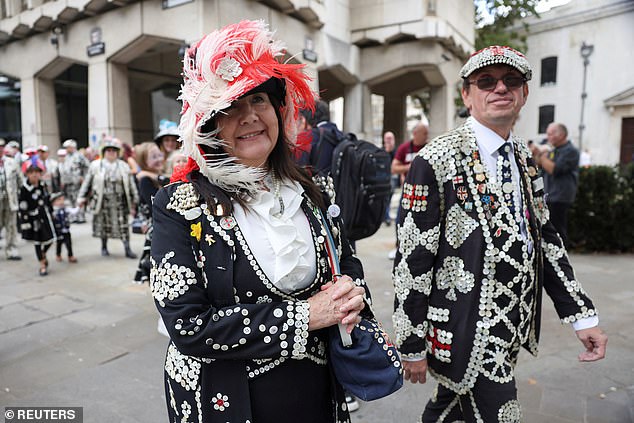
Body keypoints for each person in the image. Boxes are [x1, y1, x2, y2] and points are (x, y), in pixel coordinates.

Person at [150, 20, 368, 423]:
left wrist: (354, 299)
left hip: (316, 393)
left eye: (259, 101)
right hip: (224, 400)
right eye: (230, 107)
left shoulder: (314, 188)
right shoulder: (176, 206)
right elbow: (187, 324)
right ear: (209, 125)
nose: (249, 116)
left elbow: (346, 262)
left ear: (276, 109)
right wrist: (307, 316)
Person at [392, 45, 607, 422]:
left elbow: (545, 240)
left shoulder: (524, 158)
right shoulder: (435, 159)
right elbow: (413, 259)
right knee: (501, 413)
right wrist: (411, 340)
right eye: (486, 81)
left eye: (512, 81)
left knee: (452, 407)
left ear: (525, 94)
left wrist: (581, 316)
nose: (500, 89)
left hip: (512, 325)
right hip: (463, 323)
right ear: (467, 94)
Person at [77, 137, 139, 258]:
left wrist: (135, 199)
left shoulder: (123, 166)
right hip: (102, 201)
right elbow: (87, 183)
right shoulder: (95, 165)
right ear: (104, 152)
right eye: (108, 150)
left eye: (114, 150)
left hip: (119, 201)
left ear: (117, 152)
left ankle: (127, 248)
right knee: (103, 225)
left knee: (123, 226)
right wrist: (81, 197)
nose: (111, 152)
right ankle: (104, 247)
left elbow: (131, 184)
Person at [530, 122, 580, 247]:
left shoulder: (570, 151)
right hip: (548, 193)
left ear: (562, 135)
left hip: (560, 196)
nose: (548, 137)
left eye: (551, 134)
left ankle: (560, 255)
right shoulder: (552, 149)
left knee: (557, 228)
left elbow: (553, 169)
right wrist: (535, 154)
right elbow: (539, 165)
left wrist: (541, 154)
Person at [388, 122, 429, 260]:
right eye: (424, 133)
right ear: (415, 134)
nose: (426, 136)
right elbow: (394, 168)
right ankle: (398, 246)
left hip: (426, 191)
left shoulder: (429, 147)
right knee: (401, 218)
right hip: (408, 191)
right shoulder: (405, 148)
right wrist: (410, 167)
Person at [133, 141, 168, 284]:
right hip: (156, 227)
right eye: (153, 157)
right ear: (144, 161)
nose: (159, 159)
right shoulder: (145, 180)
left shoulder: (155, 176)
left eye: (159, 155)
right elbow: (158, 205)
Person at [17, 158, 57, 276]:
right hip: (33, 219)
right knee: (37, 242)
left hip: (45, 216)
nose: (34, 174)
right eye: (31, 172)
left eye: (37, 172)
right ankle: (42, 264)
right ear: (27, 174)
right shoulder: (24, 189)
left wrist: (52, 211)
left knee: (51, 238)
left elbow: (48, 200)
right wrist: (25, 221)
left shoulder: (43, 185)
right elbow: (23, 206)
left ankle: (43, 254)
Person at [0, 138, 22, 260]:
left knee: (11, 225)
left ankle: (11, 249)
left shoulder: (12, 162)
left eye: (1, 146)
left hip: (10, 200)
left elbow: (20, 181)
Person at [59, 139, 90, 223]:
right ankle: (73, 216)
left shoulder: (79, 156)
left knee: (78, 199)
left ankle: (80, 216)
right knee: (70, 200)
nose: (66, 149)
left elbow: (87, 166)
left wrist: (83, 177)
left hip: (77, 182)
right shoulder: (66, 156)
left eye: (68, 147)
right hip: (68, 182)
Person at [50, 192, 77, 263]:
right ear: (53, 202)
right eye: (59, 200)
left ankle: (70, 255)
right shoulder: (53, 211)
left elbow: (74, 211)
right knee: (59, 243)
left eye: (63, 200)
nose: (61, 202)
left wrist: (79, 206)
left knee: (69, 243)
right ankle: (58, 255)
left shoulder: (66, 209)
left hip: (66, 230)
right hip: (58, 231)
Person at [382, 131, 397, 226]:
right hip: (383, 177)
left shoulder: (396, 151)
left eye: (390, 138)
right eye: (387, 138)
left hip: (393, 177)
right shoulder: (381, 151)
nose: (388, 141)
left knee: (389, 197)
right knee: (385, 197)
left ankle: (385, 216)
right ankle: (386, 217)